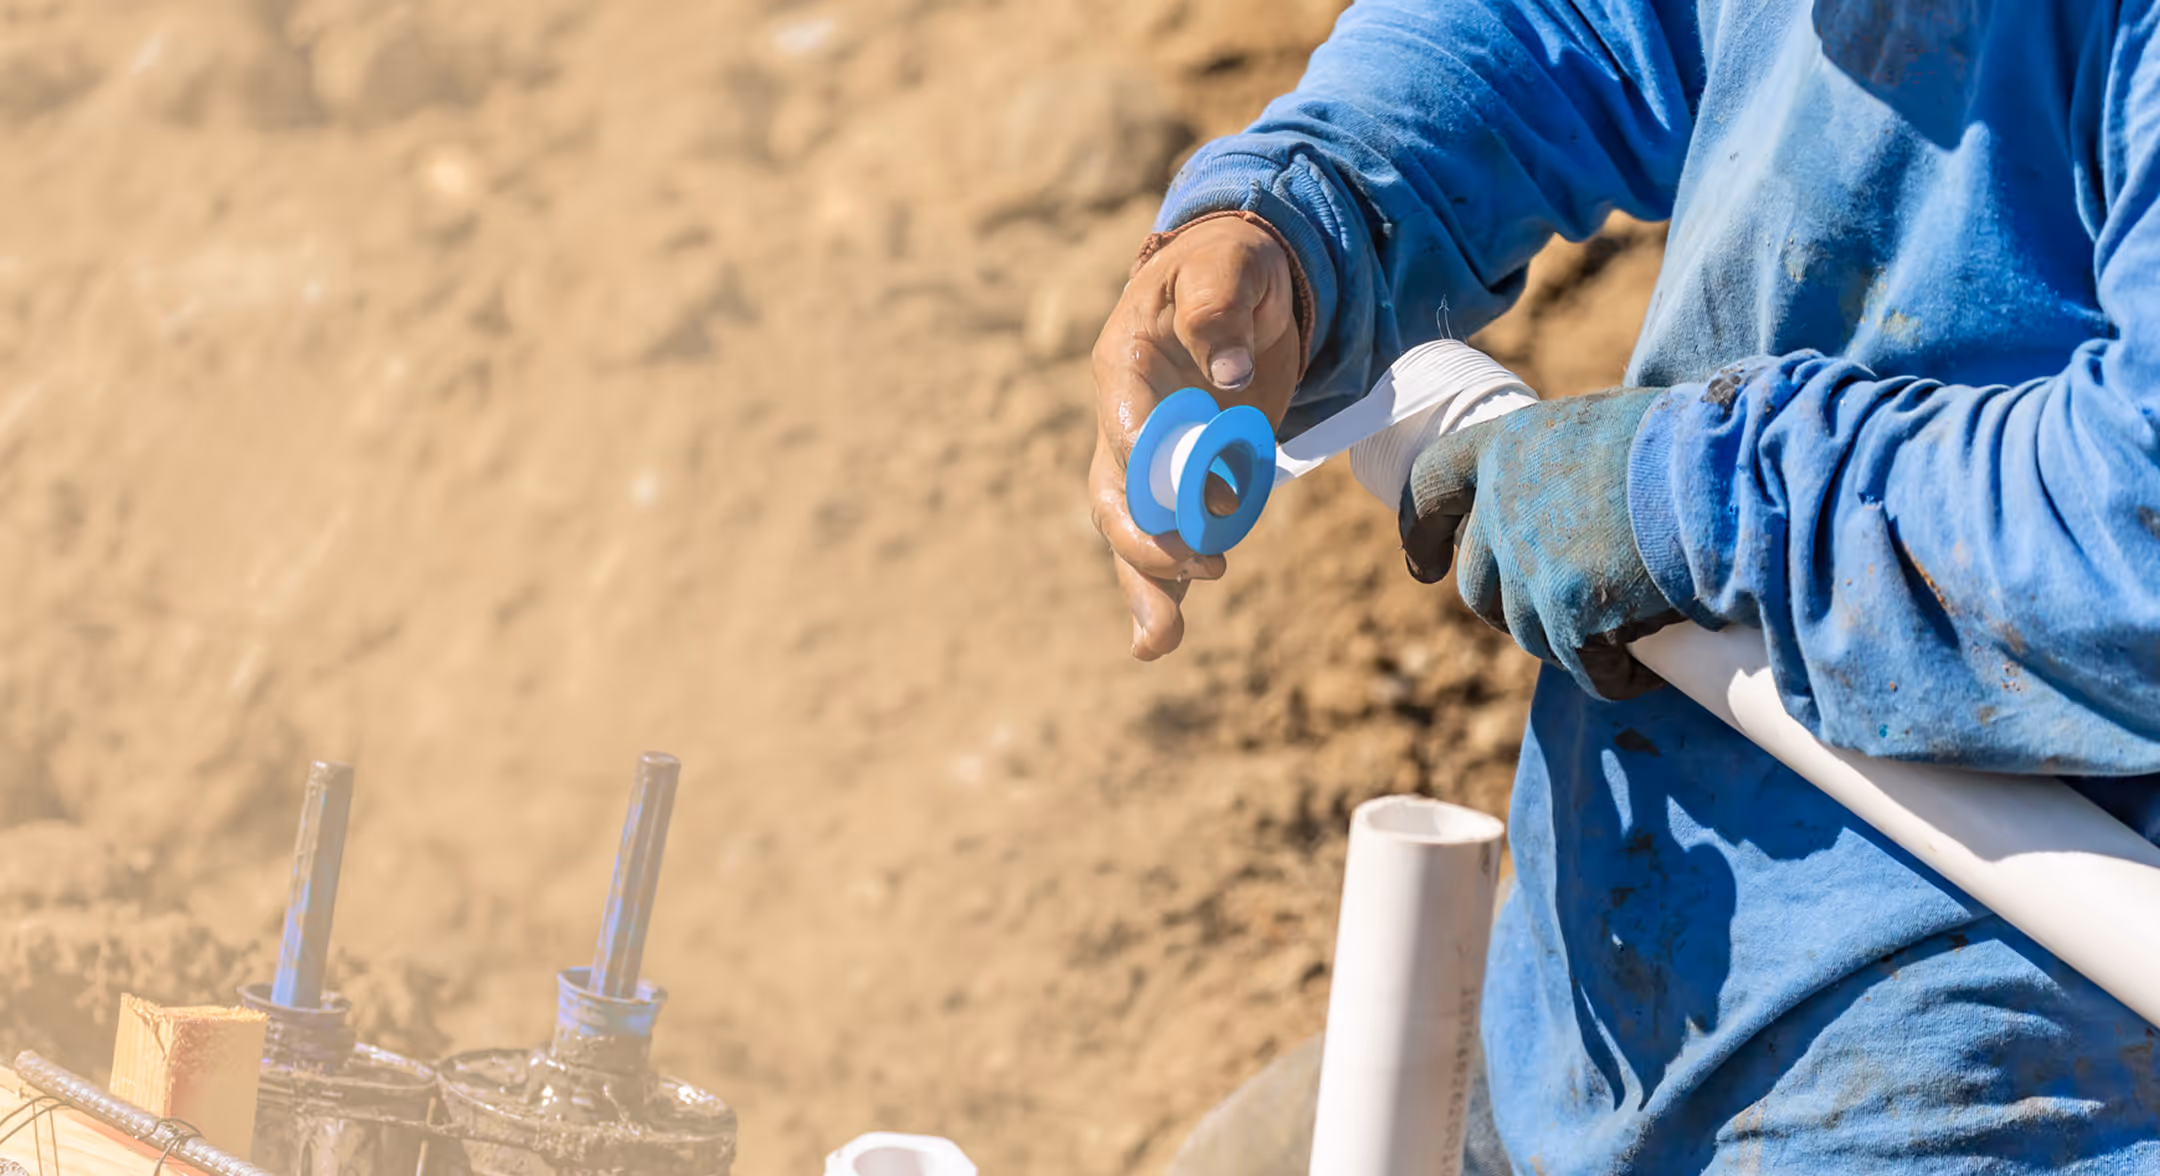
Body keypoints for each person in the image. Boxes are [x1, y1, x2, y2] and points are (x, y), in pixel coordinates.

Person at [1087, 1, 2160, 1171]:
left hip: (2021, 1065)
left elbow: (2135, 538)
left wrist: (1701, 499)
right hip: (1622, 949)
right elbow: (1584, 18)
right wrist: (1308, 212)